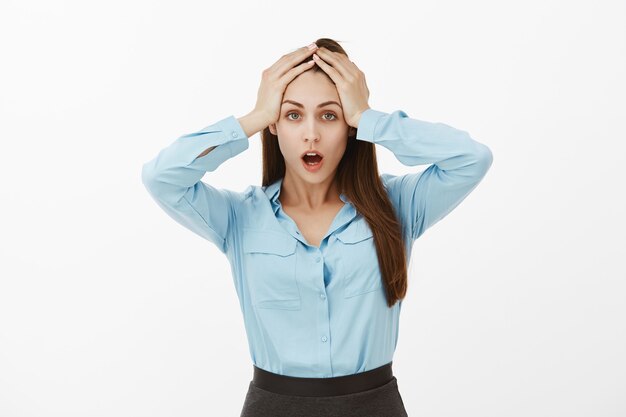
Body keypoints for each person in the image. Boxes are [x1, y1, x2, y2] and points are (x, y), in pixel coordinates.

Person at [141, 37, 493, 417]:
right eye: (293, 115)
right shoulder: (239, 216)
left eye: (330, 115)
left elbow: (471, 159)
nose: (311, 133)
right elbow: (162, 177)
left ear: (349, 126)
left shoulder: (398, 205)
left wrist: (369, 118)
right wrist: (255, 117)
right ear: (275, 125)